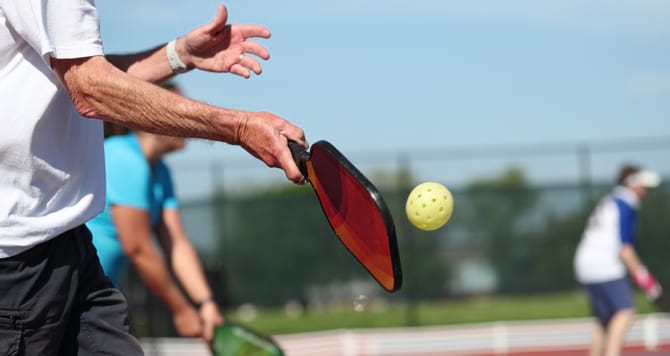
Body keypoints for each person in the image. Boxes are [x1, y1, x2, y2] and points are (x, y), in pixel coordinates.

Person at [0, 2, 306, 355]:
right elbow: (89, 88)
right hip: (17, 261)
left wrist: (178, 55)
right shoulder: (127, 162)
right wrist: (239, 128)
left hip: (67, 247)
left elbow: (75, 74)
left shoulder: (158, 173)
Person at [87, 83, 224, 341]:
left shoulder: (161, 172)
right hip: (64, 297)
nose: (189, 121)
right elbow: (138, 248)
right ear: (149, 117)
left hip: (97, 297)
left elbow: (176, 243)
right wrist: (181, 310)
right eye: (178, 111)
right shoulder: (124, 158)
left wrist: (206, 303)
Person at [574, 164, 662, 356]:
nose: (645, 192)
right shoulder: (625, 204)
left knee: (605, 320)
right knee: (625, 312)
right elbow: (625, 250)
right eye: (643, 187)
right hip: (604, 265)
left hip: (585, 263)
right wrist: (648, 283)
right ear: (632, 184)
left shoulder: (610, 200)